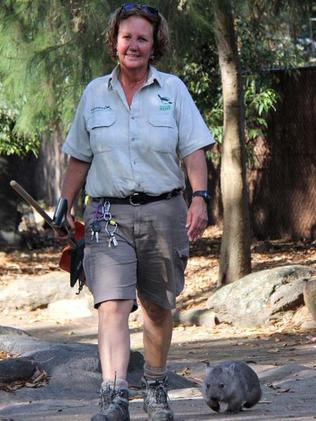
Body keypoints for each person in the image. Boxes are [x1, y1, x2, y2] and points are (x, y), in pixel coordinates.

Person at [60, 3, 215, 421]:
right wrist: (64, 205)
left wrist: (199, 197)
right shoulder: (94, 93)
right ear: (115, 43)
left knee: (158, 306)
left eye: (142, 38)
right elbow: (78, 159)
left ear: (154, 45)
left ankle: (156, 385)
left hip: (164, 210)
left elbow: (194, 152)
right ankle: (113, 396)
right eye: (126, 37)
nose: (134, 44)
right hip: (106, 213)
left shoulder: (173, 90)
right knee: (111, 303)